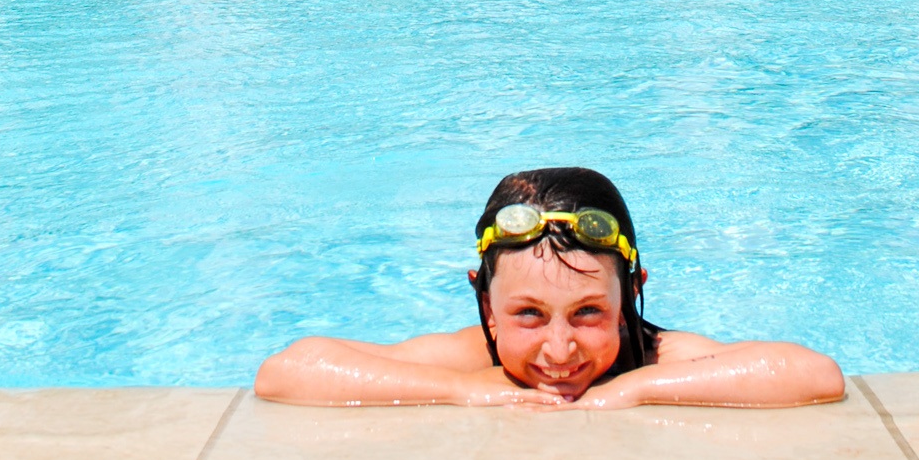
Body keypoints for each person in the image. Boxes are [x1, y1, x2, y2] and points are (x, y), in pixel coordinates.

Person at [254, 167, 844, 410]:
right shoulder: (471, 361)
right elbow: (286, 371)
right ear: (486, 306)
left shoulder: (652, 354)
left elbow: (815, 375)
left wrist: (629, 392)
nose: (559, 351)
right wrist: (470, 394)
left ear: (629, 297)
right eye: (529, 315)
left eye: (587, 312)